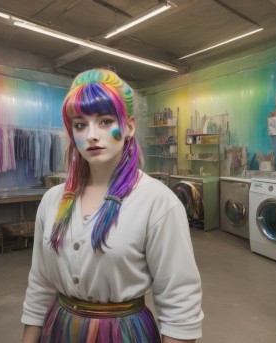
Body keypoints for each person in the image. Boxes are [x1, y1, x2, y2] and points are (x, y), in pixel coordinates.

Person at [21, 68, 203, 343]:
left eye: (105, 121)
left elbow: (180, 305)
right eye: (80, 125)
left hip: (124, 334)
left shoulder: (157, 202)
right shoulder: (52, 201)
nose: (92, 135)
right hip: (58, 330)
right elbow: (40, 284)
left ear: (129, 126)